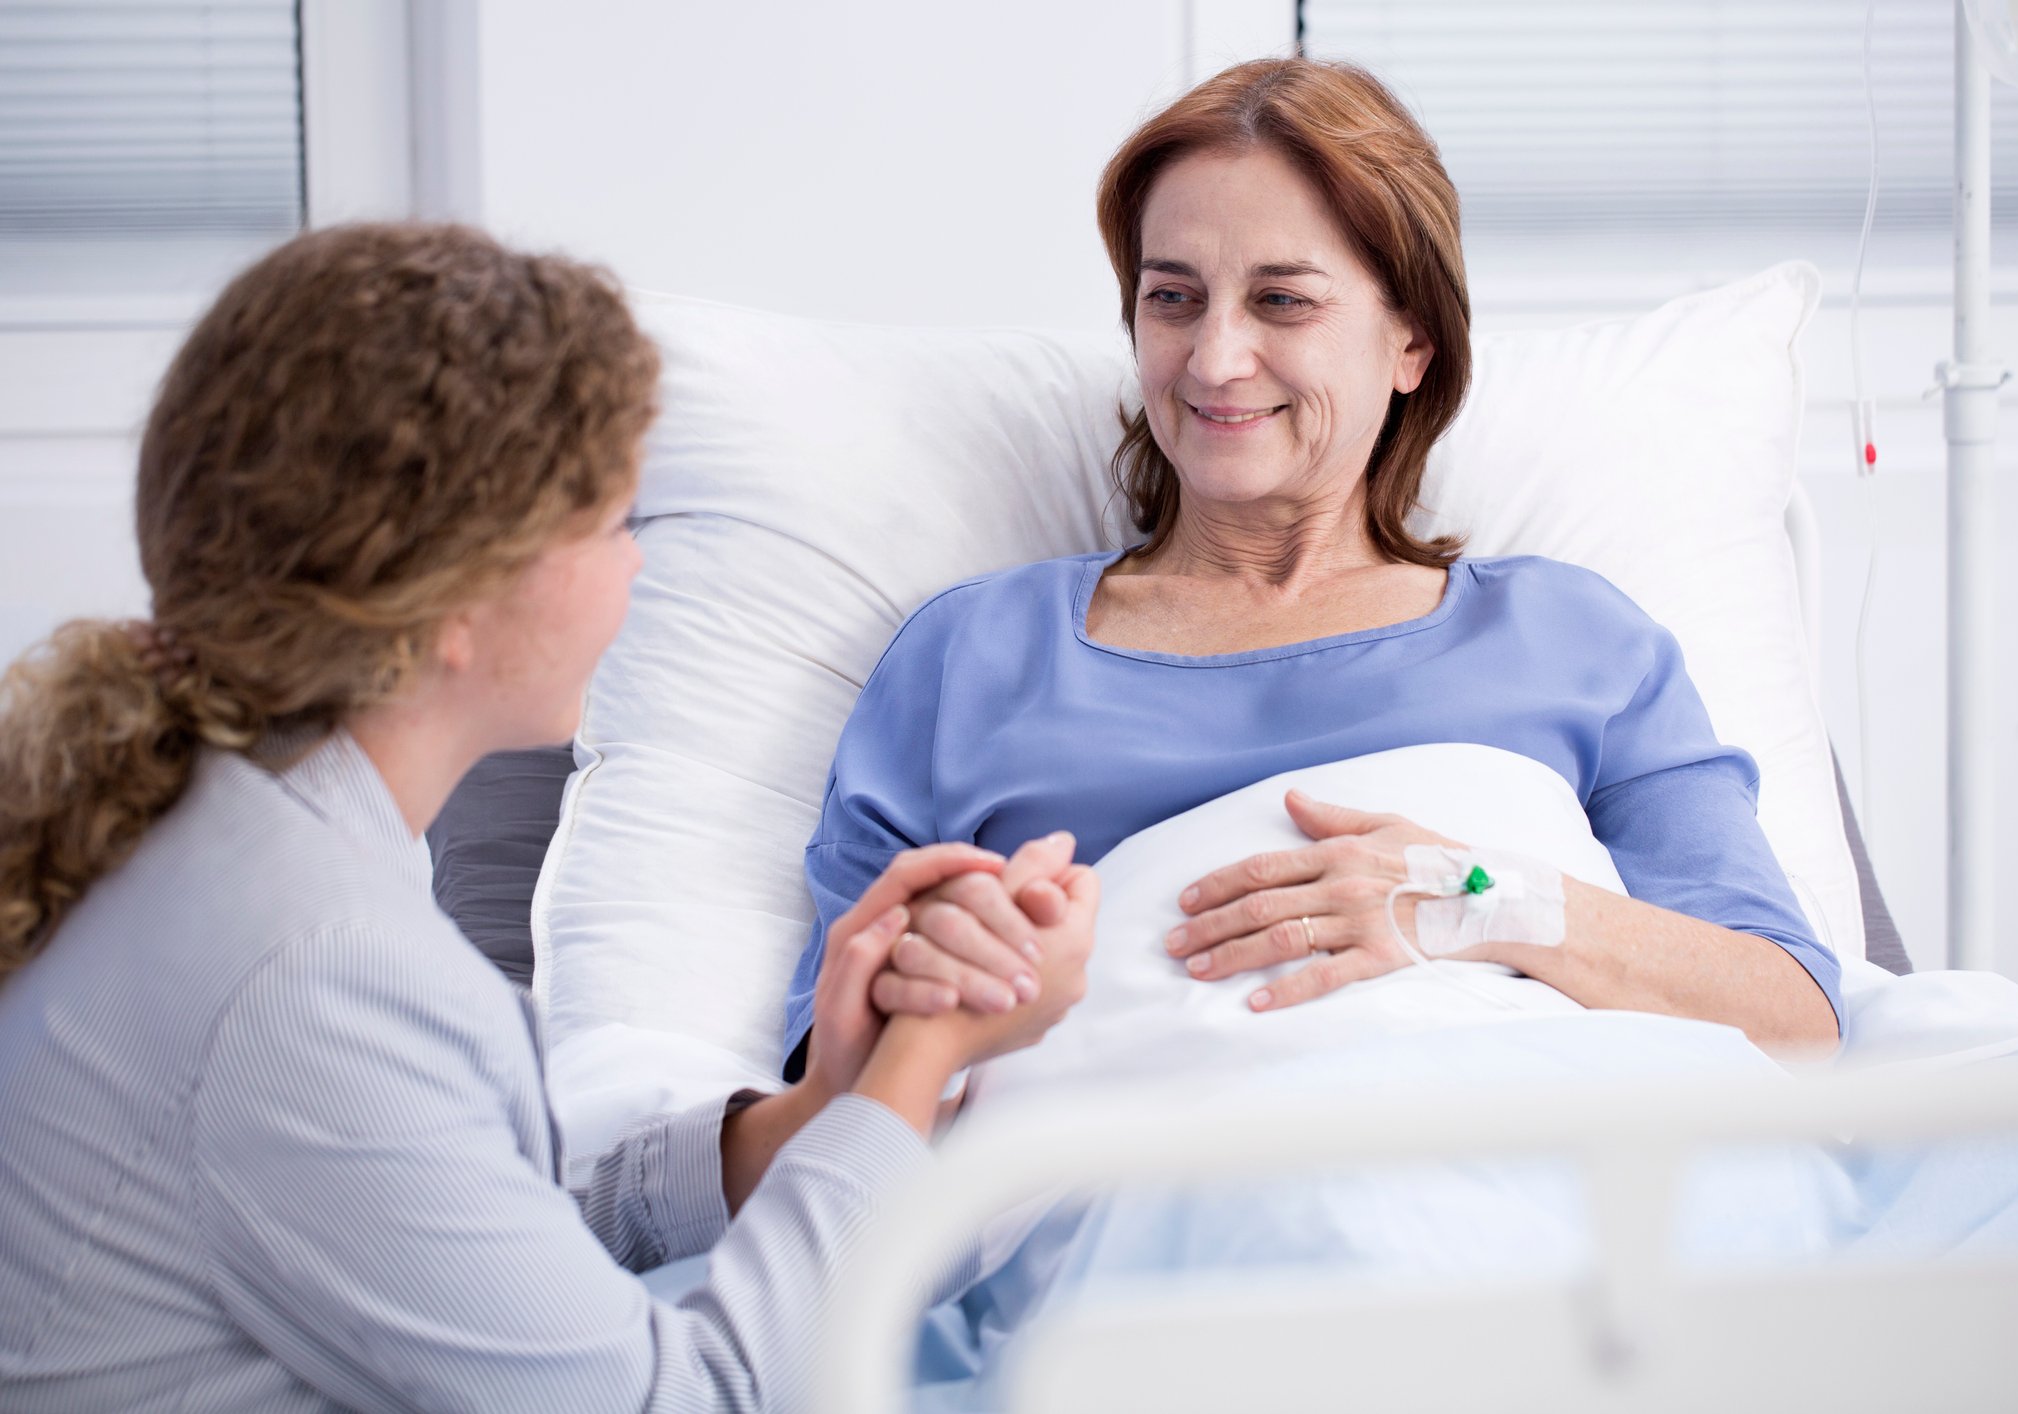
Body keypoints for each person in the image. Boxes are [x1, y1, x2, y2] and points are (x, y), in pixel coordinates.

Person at [0, 223, 1096, 1413]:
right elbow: (685, 1401)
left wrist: (806, 1116)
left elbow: (447, 1219)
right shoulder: (321, 974)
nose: (639, 569)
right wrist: (924, 1055)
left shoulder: (216, 825)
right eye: (618, 523)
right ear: (457, 601)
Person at [782, 56, 1840, 1077]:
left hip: (1540, 1176)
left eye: (1282, 301)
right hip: (1130, 1212)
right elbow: (828, 1085)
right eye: (1173, 297)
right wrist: (927, 996)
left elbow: (1795, 1018)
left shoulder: (1576, 641)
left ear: (1412, 342)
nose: (1213, 359)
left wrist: (1478, 899)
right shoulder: (971, 656)